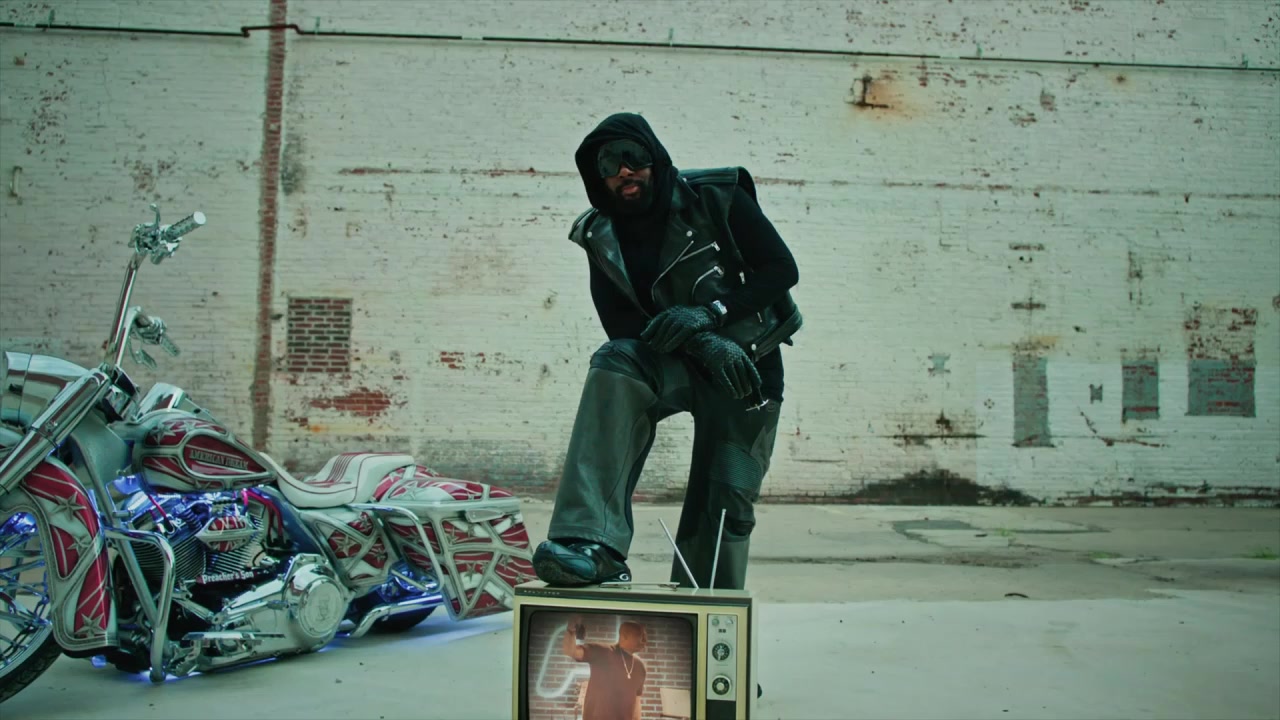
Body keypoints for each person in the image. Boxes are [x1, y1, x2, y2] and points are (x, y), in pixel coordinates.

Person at [532, 112, 803, 591]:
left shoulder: (717, 196)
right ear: (596, 176)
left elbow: (781, 269)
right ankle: (590, 545)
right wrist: (700, 340)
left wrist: (712, 315)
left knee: (725, 500)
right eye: (609, 164)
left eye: (633, 157)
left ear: (654, 158)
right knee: (616, 361)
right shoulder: (600, 236)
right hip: (672, 364)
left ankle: (709, 603)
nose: (624, 171)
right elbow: (622, 325)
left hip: (746, 373)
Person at [563, 618, 648, 720]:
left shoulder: (640, 666)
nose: (645, 640)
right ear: (624, 636)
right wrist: (571, 630)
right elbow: (571, 651)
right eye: (640, 635)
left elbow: (636, 702)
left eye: (645, 636)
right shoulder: (602, 652)